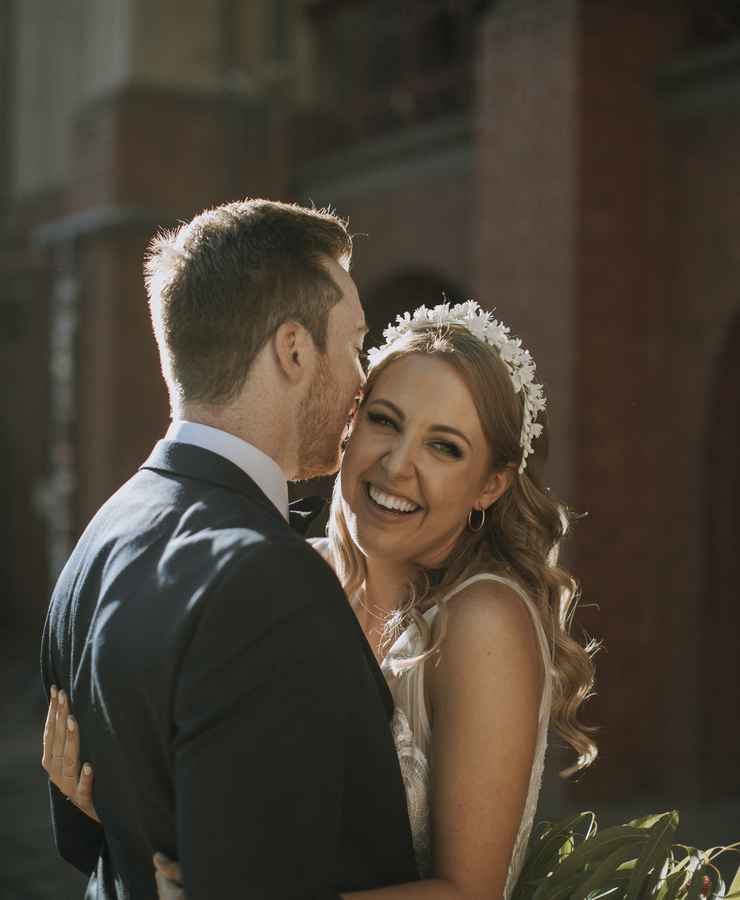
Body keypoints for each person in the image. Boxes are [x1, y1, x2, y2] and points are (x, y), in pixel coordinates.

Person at [45, 300, 598, 899]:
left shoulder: (481, 619)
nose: (397, 464)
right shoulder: (285, 577)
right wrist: (120, 802)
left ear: (491, 484)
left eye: (444, 447)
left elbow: (468, 893)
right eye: (386, 421)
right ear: (350, 421)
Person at [39, 198, 421, 899]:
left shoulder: (96, 543)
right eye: (353, 342)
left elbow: (89, 839)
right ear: (294, 350)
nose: (362, 377)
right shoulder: (266, 576)